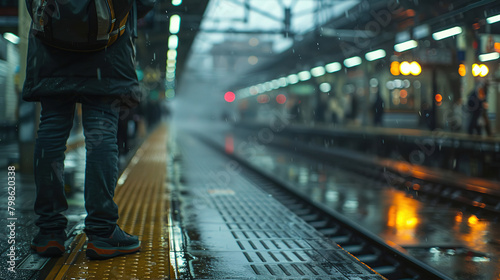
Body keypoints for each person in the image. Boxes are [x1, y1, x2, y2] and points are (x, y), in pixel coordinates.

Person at [23, 0, 156, 259]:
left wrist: (60, 20)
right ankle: (102, 232)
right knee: (103, 132)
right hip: (107, 51)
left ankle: (49, 232)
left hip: (50, 49)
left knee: (51, 128)